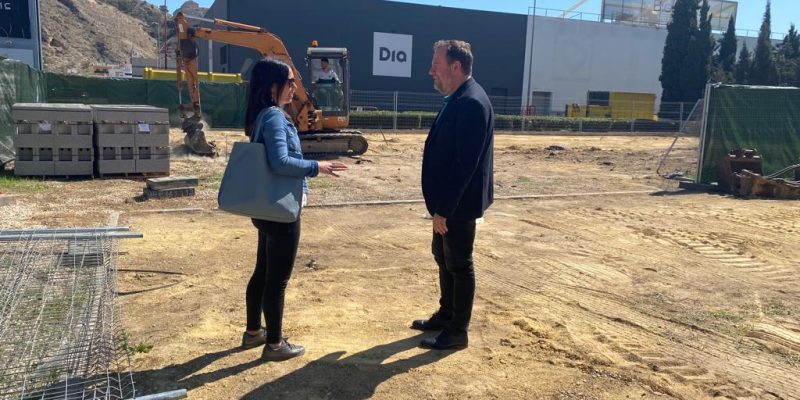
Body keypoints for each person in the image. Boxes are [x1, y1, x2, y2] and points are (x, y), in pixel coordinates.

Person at [241, 58, 348, 361]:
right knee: (277, 279)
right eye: (290, 82)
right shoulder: (275, 117)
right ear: (273, 86)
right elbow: (280, 162)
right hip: (282, 210)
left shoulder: (262, 115)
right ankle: (274, 344)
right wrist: (319, 166)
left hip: (265, 207)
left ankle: (253, 332)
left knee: (262, 271)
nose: (294, 87)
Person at [412, 40, 494, 350]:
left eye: (436, 64)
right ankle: (446, 314)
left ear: (456, 67)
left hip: (457, 205)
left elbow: (465, 164)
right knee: (442, 257)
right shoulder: (458, 97)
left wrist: (444, 209)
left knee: (459, 263)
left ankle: (458, 330)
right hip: (446, 204)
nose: (430, 70)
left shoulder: (471, 102)